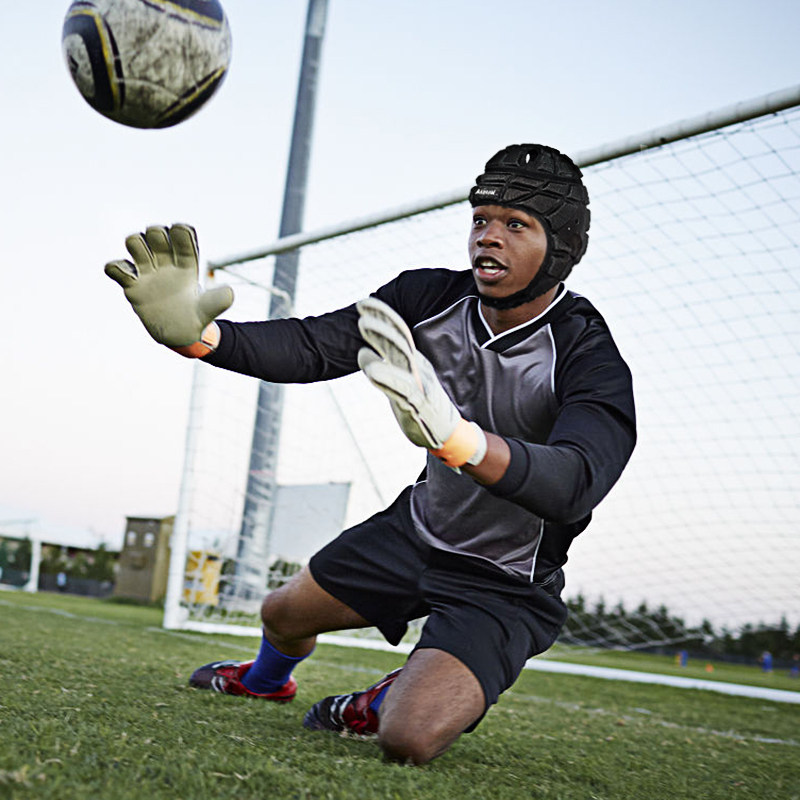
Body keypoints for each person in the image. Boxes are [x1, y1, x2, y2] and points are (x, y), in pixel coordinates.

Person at [105, 144, 636, 765]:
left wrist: (457, 437)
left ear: (562, 245)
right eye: (480, 219)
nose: (488, 237)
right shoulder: (425, 297)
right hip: (416, 531)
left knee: (408, 738)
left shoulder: (588, 352)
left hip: (505, 578)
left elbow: (575, 482)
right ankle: (265, 680)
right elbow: (314, 345)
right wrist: (203, 338)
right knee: (282, 613)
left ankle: (381, 699)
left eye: (516, 225)